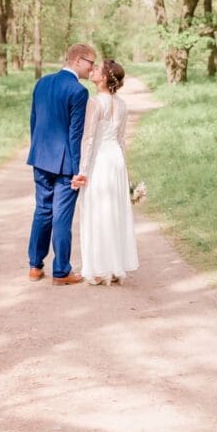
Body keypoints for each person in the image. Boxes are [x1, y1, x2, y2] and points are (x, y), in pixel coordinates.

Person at [26, 43, 95, 285]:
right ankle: (61, 272)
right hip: (65, 165)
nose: (92, 68)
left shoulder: (42, 83)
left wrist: (36, 150)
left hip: (40, 157)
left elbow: (34, 122)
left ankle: (35, 266)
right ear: (78, 60)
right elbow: (75, 135)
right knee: (61, 217)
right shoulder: (78, 91)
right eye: (91, 62)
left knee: (42, 210)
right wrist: (79, 171)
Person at [76, 59, 139, 285]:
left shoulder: (94, 102)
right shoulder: (121, 104)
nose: (92, 71)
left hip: (100, 161)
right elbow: (121, 140)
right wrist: (127, 173)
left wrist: (82, 170)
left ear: (103, 78)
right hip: (116, 161)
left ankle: (97, 268)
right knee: (115, 211)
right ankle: (114, 266)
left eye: (97, 69)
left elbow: (89, 139)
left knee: (97, 211)